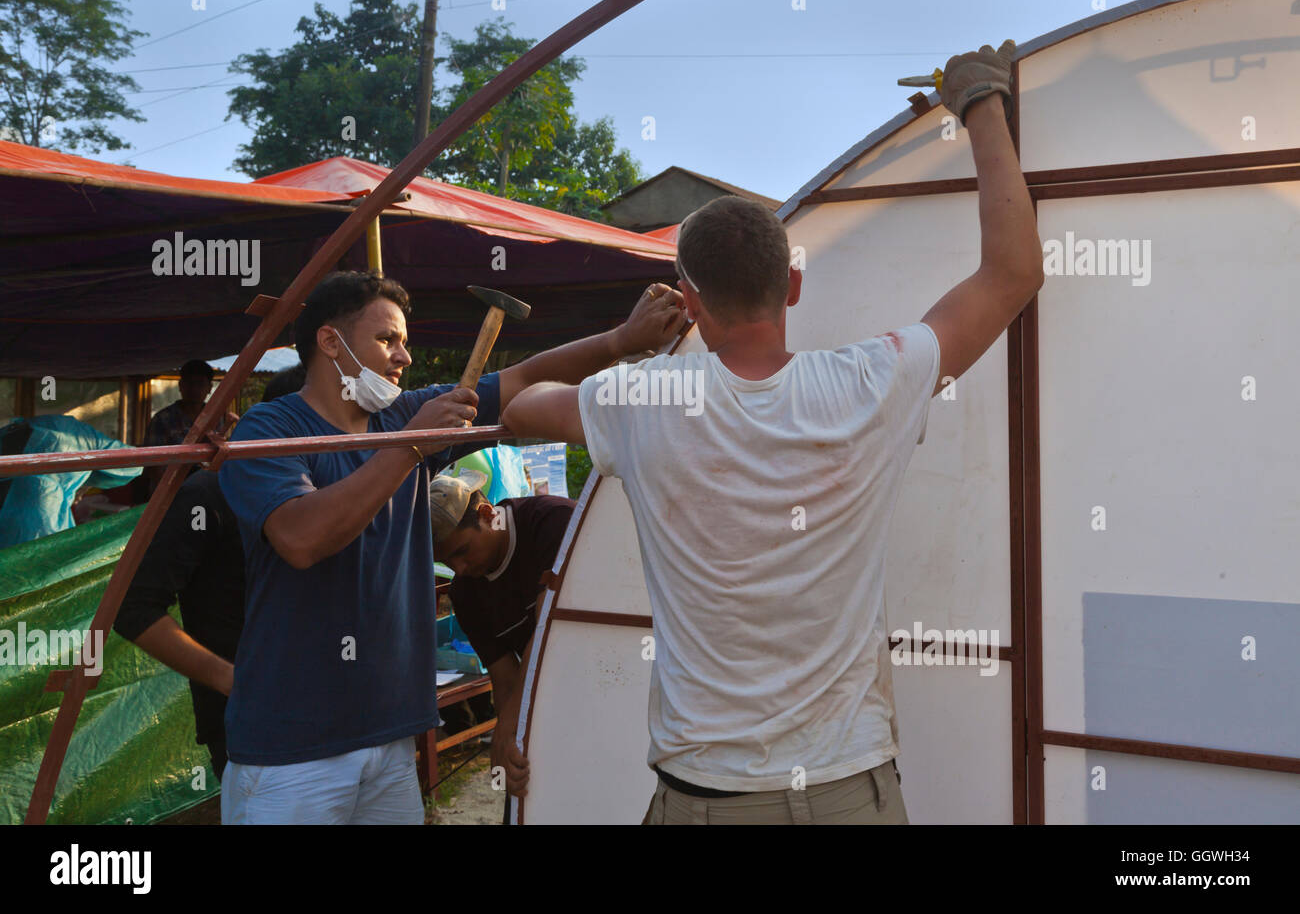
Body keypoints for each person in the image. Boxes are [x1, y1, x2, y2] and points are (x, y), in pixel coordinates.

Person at [500, 41, 1043, 824]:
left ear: (688, 298)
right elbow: (1013, 272)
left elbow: (516, 399)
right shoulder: (872, 381)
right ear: (791, 281)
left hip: (707, 798)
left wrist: (621, 341)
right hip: (850, 788)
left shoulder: (643, 398)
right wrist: (982, 102)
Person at [215, 269, 683, 824]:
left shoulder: (398, 417)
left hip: (389, 739)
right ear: (330, 341)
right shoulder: (271, 428)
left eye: (405, 342)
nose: (404, 357)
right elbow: (300, 537)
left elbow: (523, 379)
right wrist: (415, 444)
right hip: (292, 753)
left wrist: (620, 342)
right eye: (387, 339)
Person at [114, 364, 306, 785]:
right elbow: (133, 606)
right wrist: (234, 681)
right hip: (253, 727)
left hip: (330, 715)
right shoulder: (209, 496)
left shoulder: (328, 494)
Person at [430, 472, 576, 817]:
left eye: (462, 552)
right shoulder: (465, 593)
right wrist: (506, 740)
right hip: (546, 706)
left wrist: (507, 724)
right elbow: (505, 677)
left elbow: (548, 632)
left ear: (486, 513)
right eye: (447, 563)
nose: (460, 569)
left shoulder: (553, 522)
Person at [0, 415, 141, 548]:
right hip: (40, 520)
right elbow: (133, 463)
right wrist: (84, 482)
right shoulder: (77, 436)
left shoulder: (19, 431)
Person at [144, 359, 238, 494]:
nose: (194, 389)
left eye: (200, 384)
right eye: (190, 383)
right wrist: (170, 494)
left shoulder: (218, 418)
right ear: (181, 386)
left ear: (209, 388)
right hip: (169, 494)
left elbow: (222, 455)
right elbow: (153, 464)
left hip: (206, 490)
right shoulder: (163, 420)